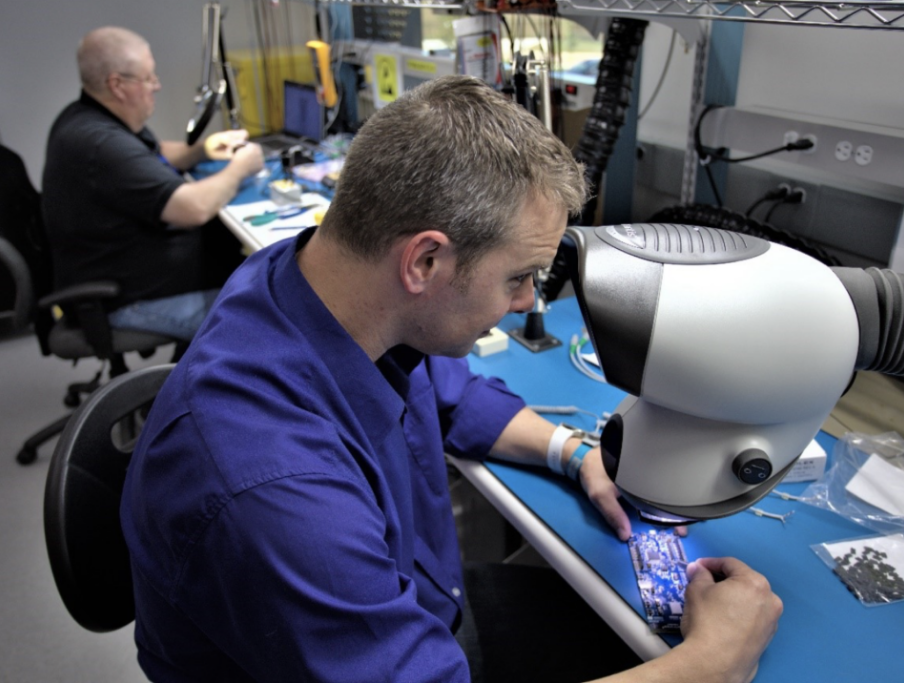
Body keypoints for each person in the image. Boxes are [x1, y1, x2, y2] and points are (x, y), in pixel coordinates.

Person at [121, 75, 782, 683]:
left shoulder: (316, 285)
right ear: (426, 260)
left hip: (421, 598)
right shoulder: (275, 485)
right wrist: (713, 661)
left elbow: (449, 394)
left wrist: (573, 452)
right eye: (518, 276)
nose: (526, 301)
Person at [41, 26, 265, 341]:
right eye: (148, 79)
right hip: (130, 300)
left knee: (259, 273)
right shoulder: (99, 144)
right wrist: (240, 167)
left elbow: (151, 153)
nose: (157, 86)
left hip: (149, 277)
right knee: (272, 322)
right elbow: (193, 208)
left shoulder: (87, 117)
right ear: (117, 85)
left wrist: (204, 149)